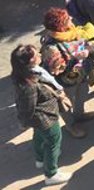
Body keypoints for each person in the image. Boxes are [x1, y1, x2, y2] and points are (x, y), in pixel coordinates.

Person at [12, 45, 72, 185]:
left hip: (41, 118)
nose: (39, 54)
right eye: (35, 54)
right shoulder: (29, 84)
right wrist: (23, 122)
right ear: (30, 61)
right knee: (53, 141)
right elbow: (27, 107)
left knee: (39, 135)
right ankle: (51, 174)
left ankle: (40, 159)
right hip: (45, 117)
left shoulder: (27, 73)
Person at [40, 8, 94, 139]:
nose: (71, 19)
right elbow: (55, 70)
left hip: (81, 75)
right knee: (66, 105)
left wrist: (89, 48)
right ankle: (71, 125)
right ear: (60, 26)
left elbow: (81, 43)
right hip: (66, 83)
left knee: (82, 95)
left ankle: (79, 115)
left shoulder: (71, 31)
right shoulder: (50, 47)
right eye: (67, 19)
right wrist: (76, 58)